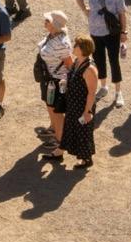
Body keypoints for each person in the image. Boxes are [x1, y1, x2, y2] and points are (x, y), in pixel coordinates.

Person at [41, 35, 99, 170]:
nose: (73, 47)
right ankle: (59, 152)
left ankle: (86, 159)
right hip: (73, 103)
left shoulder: (90, 69)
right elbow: (72, 76)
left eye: (76, 46)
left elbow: (91, 93)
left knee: (83, 131)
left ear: (83, 49)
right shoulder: (77, 62)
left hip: (83, 106)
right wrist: (65, 82)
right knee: (69, 127)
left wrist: (87, 112)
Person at [76, 0, 127, 108]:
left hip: (112, 33)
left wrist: (124, 32)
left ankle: (118, 93)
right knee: (99, 60)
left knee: (114, 61)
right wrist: (84, 9)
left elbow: (122, 13)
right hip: (95, 32)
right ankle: (104, 87)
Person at [33, 11, 72, 152]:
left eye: (47, 20)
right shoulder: (52, 35)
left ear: (55, 25)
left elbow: (69, 64)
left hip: (56, 81)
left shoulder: (62, 44)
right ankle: (54, 129)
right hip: (48, 78)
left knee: (57, 111)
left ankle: (59, 141)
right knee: (50, 106)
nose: (45, 21)